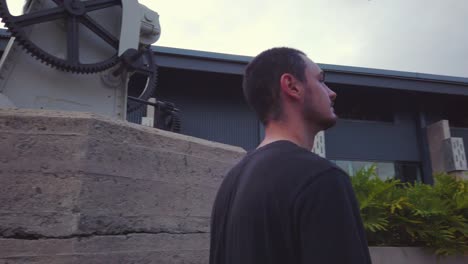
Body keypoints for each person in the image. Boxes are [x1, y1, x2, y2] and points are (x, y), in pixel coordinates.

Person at [209, 47, 372, 264]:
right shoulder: (321, 178)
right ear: (292, 86)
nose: (332, 93)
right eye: (320, 80)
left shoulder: (230, 183)